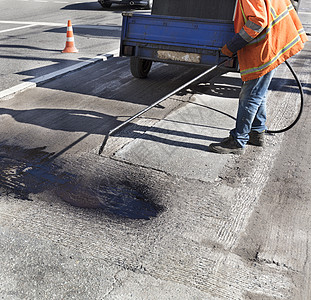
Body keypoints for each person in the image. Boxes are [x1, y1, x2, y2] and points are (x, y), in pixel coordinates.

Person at [209, 0, 308, 155]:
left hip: (266, 46)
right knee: (257, 92)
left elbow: (258, 21)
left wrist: (231, 46)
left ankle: (237, 141)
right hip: (274, 40)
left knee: (250, 95)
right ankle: (256, 132)